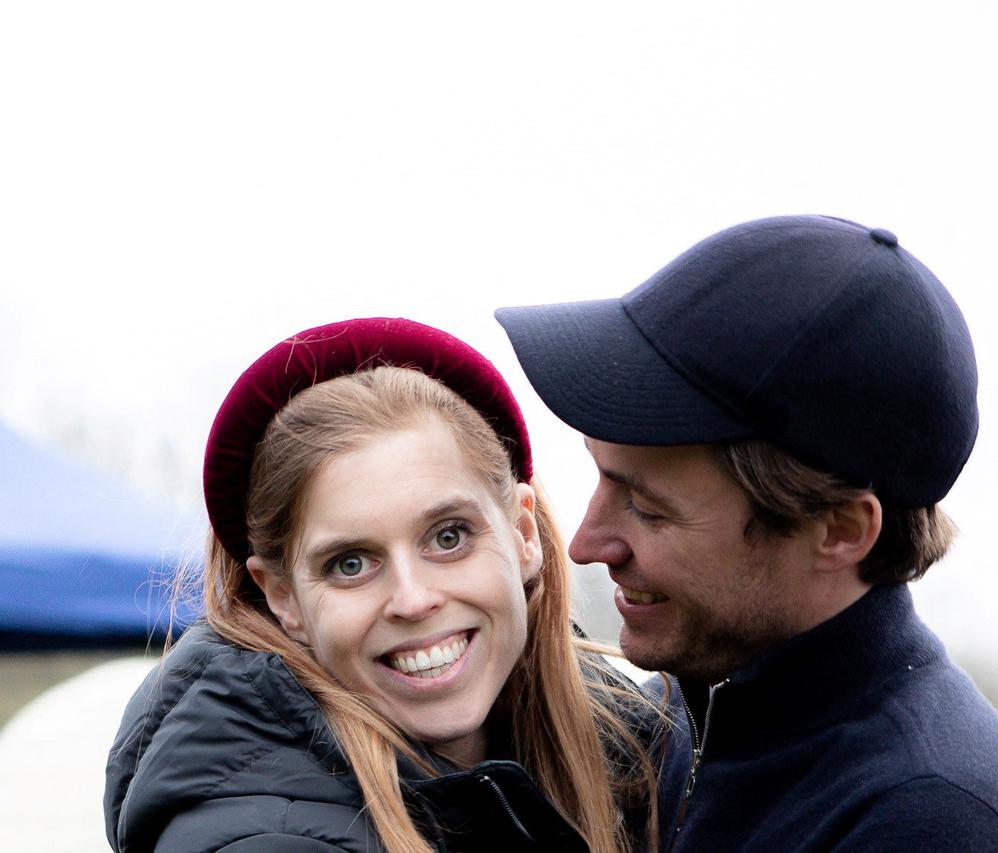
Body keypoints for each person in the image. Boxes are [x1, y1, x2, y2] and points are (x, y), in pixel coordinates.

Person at [495, 215, 998, 852]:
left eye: (649, 507)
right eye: (603, 478)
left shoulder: (928, 821)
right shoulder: (690, 716)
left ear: (838, 530)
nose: (586, 544)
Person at [104, 317, 660, 853]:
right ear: (282, 597)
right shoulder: (258, 834)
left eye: (448, 537)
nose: (414, 600)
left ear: (521, 533)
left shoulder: (644, 747)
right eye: (350, 564)